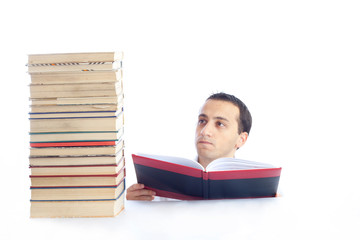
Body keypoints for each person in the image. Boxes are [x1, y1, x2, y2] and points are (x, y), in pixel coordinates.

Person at [126, 92, 252, 201]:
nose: (205, 131)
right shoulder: (159, 186)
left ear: (241, 139)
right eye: (202, 121)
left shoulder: (255, 190)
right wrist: (129, 206)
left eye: (220, 124)